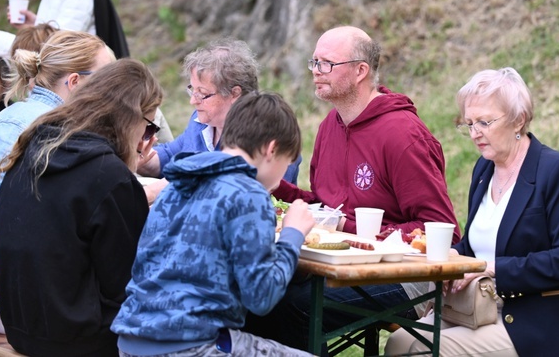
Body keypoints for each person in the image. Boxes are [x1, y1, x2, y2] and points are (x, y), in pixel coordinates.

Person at [246, 26, 461, 351]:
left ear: (361, 70)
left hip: (406, 275)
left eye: (327, 64)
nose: (316, 72)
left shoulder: (402, 134)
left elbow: (441, 230)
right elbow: (326, 207)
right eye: (314, 62)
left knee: (294, 308)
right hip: (338, 264)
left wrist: (352, 228)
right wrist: (278, 188)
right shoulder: (328, 127)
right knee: (258, 298)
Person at [386, 67, 559, 356]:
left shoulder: (557, 170)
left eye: (484, 122)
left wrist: (490, 268)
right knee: (398, 342)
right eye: (468, 124)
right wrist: (454, 254)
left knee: (422, 350)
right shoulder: (484, 169)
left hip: (538, 316)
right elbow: (478, 241)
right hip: (477, 307)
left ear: (519, 120)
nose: (475, 133)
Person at [112, 92, 314, 357]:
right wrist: (292, 234)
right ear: (271, 149)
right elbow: (261, 298)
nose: (279, 181)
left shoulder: (176, 185)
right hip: (189, 346)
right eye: (286, 163)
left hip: (132, 339)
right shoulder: (250, 193)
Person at [0, 59, 162, 356]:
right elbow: (129, 284)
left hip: (19, 326)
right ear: (130, 119)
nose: (146, 140)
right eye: (148, 128)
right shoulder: (109, 177)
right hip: (77, 340)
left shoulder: (34, 144)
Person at [0, 30, 113, 334]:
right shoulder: (50, 128)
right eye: (107, 79)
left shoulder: (18, 114)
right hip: (4, 287)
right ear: (75, 82)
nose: (114, 88)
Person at [137, 38, 300, 185]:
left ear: (234, 93)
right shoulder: (200, 122)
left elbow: (257, 194)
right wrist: (137, 154)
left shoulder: (266, 133)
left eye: (202, 93)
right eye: (192, 90)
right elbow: (169, 155)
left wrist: (161, 190)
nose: (193, 100)